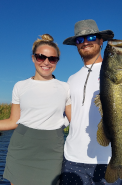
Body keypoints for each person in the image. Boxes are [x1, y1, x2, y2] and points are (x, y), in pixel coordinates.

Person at [59, 19, 122, 185]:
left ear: (101, 41)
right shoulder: (70, 79)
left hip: (109, 160)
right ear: (76, 45)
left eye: (91, 37)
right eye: (80, 40)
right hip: (72, 158)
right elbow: (70, 116)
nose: (85, 42)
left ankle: (120, 163)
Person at [1, 34, 71, 185]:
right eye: (41, 57)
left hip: (53, 148)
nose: (46, 62)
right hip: (22, 146)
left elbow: (75, 120)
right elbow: (13, 121)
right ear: (33, 58)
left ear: (57, 61)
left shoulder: (65, 88)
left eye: (52, 58)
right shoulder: (20, 86)